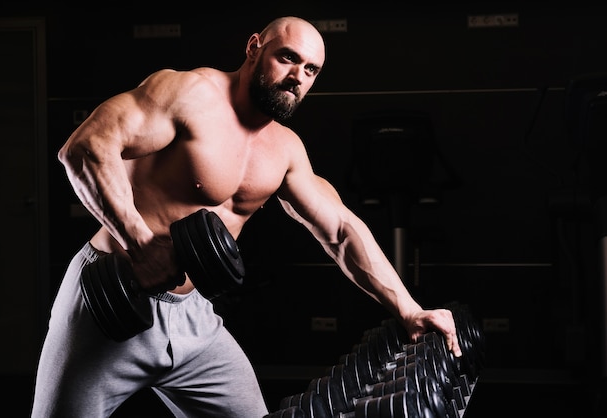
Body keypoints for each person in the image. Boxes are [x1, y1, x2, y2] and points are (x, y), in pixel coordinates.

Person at [31, 15, 462, 418]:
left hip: (193, 318)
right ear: (255, 47)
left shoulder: (286, 150)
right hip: (109, 303)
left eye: (311, 70)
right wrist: (140, 243)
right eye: (288, 58)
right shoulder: (189, 94)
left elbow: (342, 231)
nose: (297, 77)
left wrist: (409, 310)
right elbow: (86, 147)